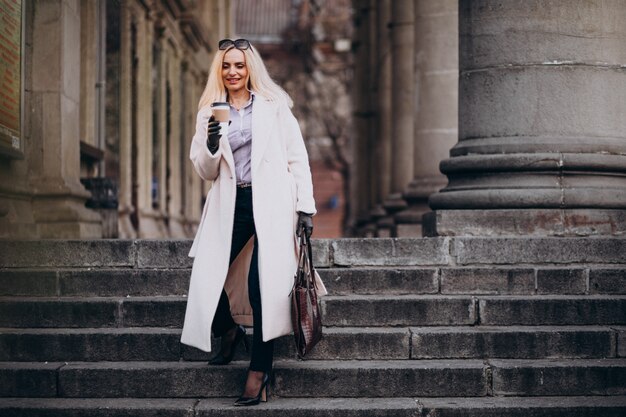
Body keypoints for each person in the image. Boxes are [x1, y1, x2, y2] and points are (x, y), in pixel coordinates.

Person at [180, 38, 324, 406]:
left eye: (239, 66)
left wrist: (305, 209)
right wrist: (212, 143)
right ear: (220, 70)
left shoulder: (274, 108)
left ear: (250, 70)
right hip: (232, 202)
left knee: (266, 288)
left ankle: (259, 372)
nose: (232, 72)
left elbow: (297, 157)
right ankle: (227, 329)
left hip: (274, 203)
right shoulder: (210, 112)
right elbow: (204, 169)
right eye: (226, 66)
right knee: (208, 277)